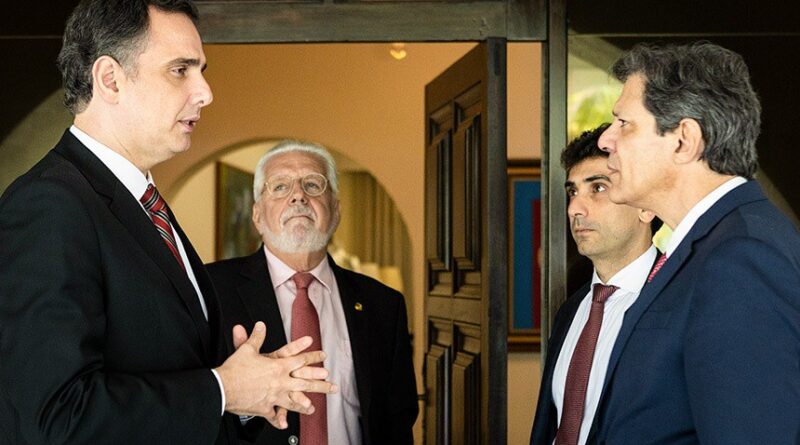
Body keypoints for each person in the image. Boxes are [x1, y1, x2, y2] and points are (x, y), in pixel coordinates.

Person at [0, 1, 336, 444]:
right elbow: (59, 417)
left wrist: (248, 392)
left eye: (201, 70)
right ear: (110, 80)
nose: (205, 92)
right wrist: (223, 389)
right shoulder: (48, 204)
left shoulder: (142, 201)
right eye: (180, 70)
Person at [595, 41, 800, 443]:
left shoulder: (741, 259)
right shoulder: (715, 243)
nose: (605, 140)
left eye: (624, 123)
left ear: (684, 140)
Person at [207, 140, 419, 445]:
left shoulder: (384, 305)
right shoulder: (210, 290)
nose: (298, 196)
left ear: (335, 211)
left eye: (313, 184)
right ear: (256, 215)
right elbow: (191, 408)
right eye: (280, 187)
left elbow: (397, 422)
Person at [529, 125, 657, 445]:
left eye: (597, 188)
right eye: (572, 191)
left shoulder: (679, 303)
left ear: (645, 205)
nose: (574, 208)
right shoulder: (570, 311)